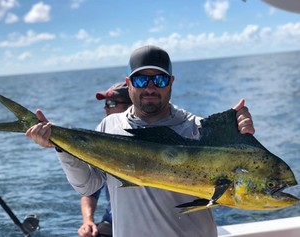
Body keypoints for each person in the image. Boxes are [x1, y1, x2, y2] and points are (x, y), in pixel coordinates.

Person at [26, 45, 255, 237]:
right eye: (141, 80)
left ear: (171, 82)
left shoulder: (197, 129)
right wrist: (61, 147)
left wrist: (240, 135)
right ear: (129, 82)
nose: (151, 88)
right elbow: (88, 186)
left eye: (159, 79)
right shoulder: (110, 126)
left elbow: (246, 179)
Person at [78, 82, 132, 237]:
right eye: (105, 103)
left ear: (130, 106)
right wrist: (88, 221)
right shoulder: (105, 144)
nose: (106, 107)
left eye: (111, 103)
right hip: (112, 223)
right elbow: (91, 192)